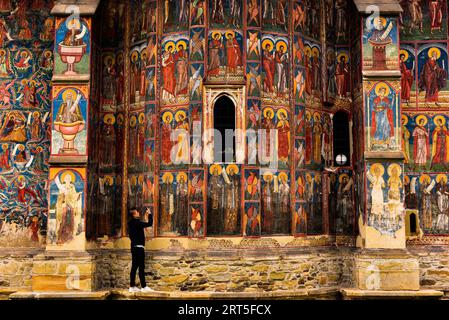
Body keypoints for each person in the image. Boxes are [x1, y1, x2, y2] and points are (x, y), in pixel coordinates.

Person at [128, 207, 154, 293]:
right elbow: (150, 223)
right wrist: (149, 214)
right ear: (134, 214)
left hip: (134, 248)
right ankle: (144, 287)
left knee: (134, 267)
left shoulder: (131, 223)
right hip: (139, 248)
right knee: (141, 267)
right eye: (137, 212)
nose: (139, 213)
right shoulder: (137, 223)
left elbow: (141, 225)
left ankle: (132, 286)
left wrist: (145, 217)